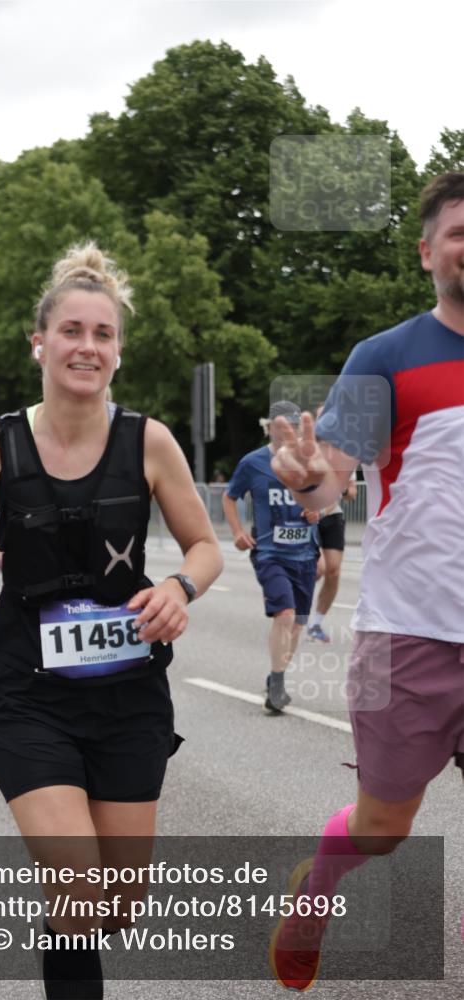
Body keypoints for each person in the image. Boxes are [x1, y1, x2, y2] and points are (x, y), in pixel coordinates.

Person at [0, 242, 223, 999]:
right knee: (80, 888)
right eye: (71, 331)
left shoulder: (147, 440)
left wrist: (179, 587)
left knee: (117, 903)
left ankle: (67, 923)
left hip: (128, 697)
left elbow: (205, 547)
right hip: (28, 692)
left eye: (103, 334)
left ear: (117, 351)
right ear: (40, 343)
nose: (87, 346)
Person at [268, 171, 464, 989]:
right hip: (408, 633)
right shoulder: (383, 358)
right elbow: (327, 488)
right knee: (384, 828)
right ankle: (315, 891)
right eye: (457, 233)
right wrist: (307, 479)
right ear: (427, 253)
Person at [222, 401, 320, 714]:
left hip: (305, 553)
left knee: (298, 623)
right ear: (270, 428)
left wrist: (316, 511)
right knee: (286, 614)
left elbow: (323, 497)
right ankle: (277, 686)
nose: (287, 432)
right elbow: (229, 496)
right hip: (270, 554)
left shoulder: (309, 460)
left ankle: (276, 674)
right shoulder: (253, 462)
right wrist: (238, 531)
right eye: (280, 426)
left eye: (292, 426)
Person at [306, 407, 358, 643]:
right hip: (308, 516)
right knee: (318, 569)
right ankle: (295, 606)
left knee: (333, 571)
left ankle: (315, 623)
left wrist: (345, 489)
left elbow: (352, 493)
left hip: (331, 514)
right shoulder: (308, 450)